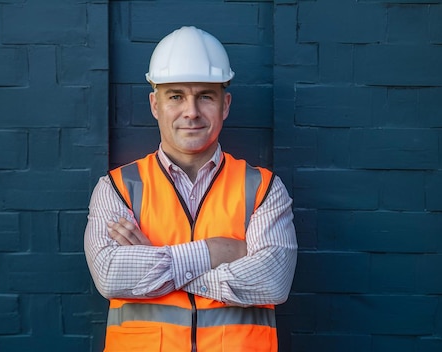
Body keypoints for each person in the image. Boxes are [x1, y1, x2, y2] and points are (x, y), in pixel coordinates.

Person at [84, 26, 297, 352]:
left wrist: (153, 264)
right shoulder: (117, 188)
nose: (191, 111)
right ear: (155, 105)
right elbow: (110, 276)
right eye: (176, 96)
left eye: (205, 96)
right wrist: (214, 252)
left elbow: (272, 282)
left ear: (225, 105)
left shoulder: (263, 189)